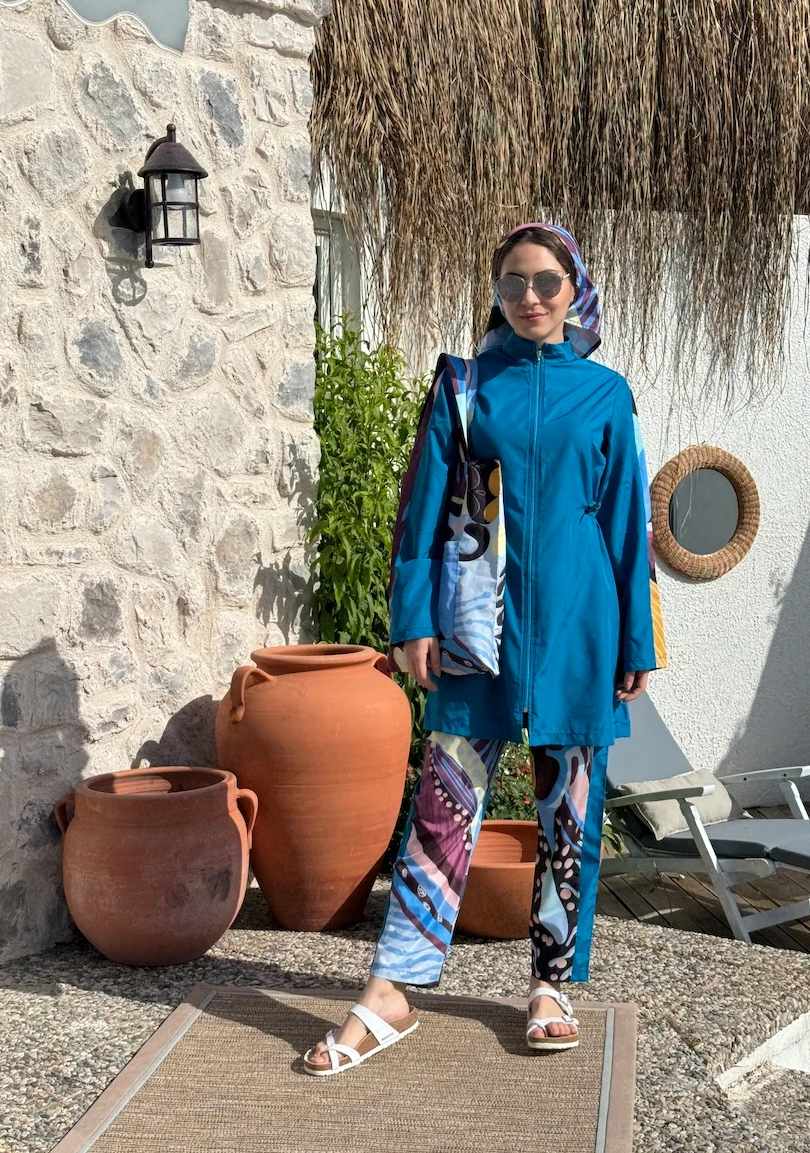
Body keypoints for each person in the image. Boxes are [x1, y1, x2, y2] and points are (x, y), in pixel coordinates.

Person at [303, 222, 667, 1076]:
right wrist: (412, 620)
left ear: (576, 290)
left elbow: (629, 525)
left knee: (570, 816)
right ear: (496, 294)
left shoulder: (606, 394)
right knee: (445, 804)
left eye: (546, 281)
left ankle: (550, 985)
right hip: (477, 626)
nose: (529, 297)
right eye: (512, 283)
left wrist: (638, 638)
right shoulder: (464, 388)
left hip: (580, 625)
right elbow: (422, 510)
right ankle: (391, 991)